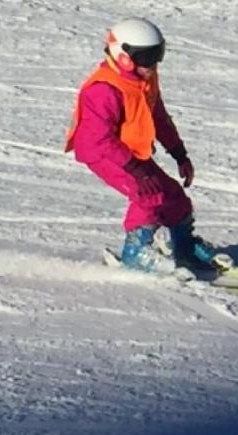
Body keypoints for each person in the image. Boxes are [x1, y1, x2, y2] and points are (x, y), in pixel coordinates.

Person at [64, 17, 217, 273]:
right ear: (123, 55)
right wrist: (137, 170)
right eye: (147, 57)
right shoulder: (103, 89)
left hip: (130, 152)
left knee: (174, 196)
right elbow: (99, 138)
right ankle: (135, 253)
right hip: (103, 153)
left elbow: (157, 116)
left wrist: (179, 154)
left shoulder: (144, 80)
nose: (153, 64)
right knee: (148, 194)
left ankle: (184, 248)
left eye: (158, 55)